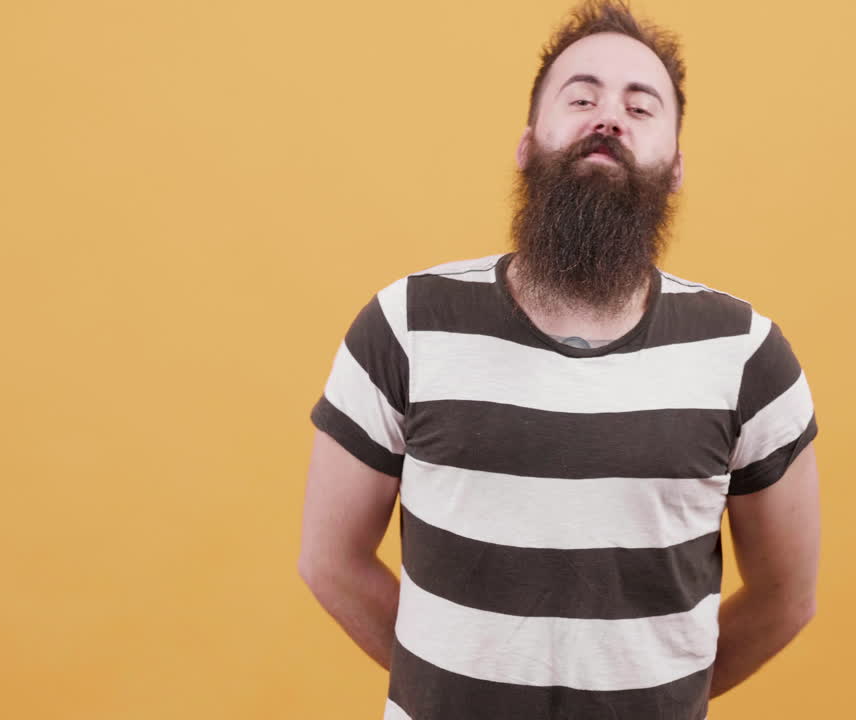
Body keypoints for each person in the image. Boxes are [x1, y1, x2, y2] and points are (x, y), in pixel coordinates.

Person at [298, 1, 821, 718]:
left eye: (641, 107)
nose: (608, 118)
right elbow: (329, 560)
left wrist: (662, 696)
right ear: (526, 144)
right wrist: (447, 683)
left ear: (674, 169)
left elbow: (787, 597)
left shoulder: (747, 356)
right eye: (582, 98)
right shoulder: (405, 326)